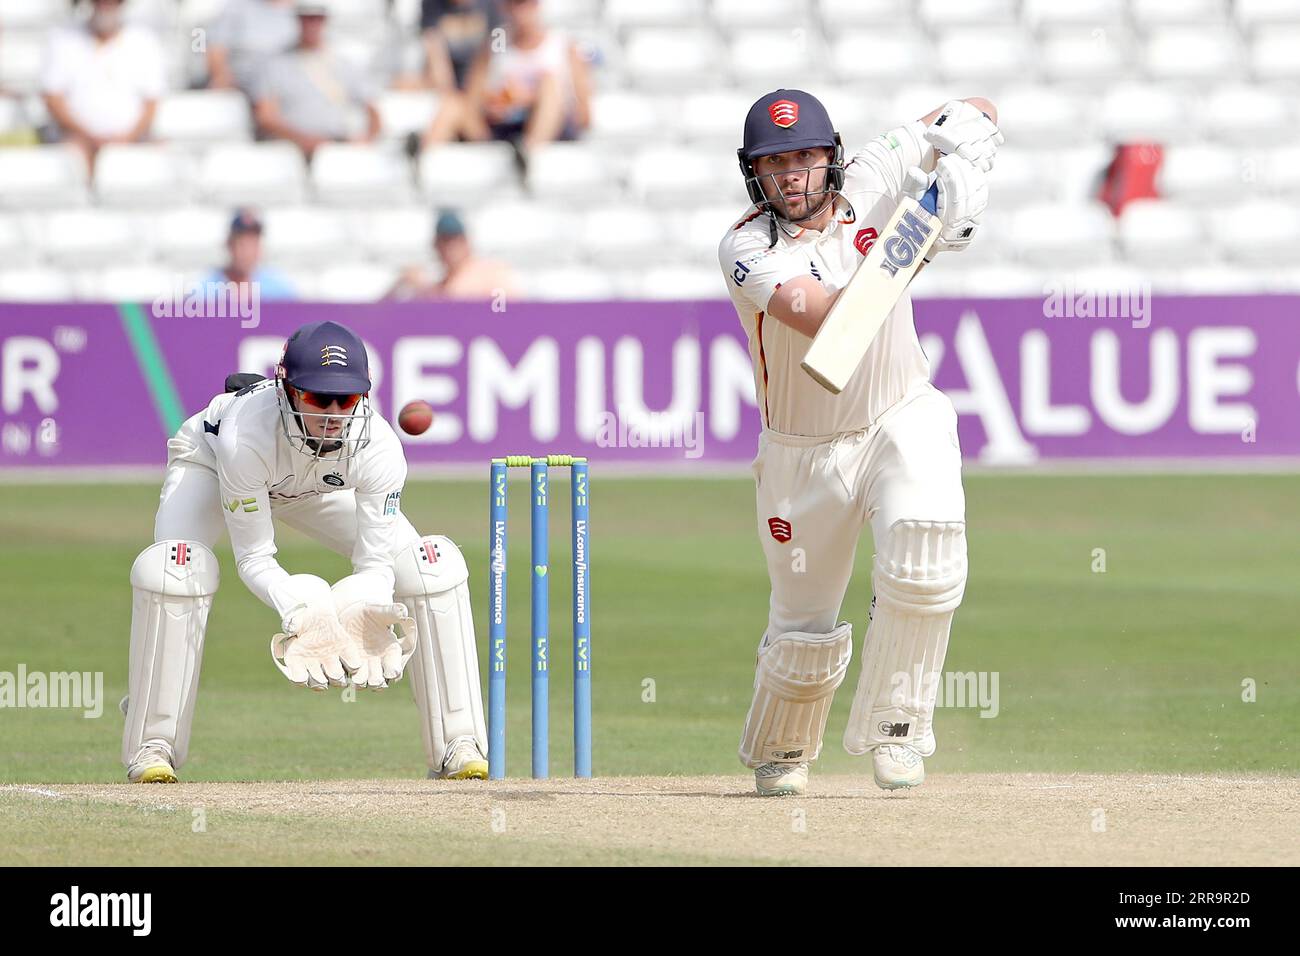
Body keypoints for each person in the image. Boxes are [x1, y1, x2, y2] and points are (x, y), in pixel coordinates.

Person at [717, 89, 1001, 796]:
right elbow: (830, 327)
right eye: (775, 162)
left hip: (899, 414)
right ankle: (782, 747)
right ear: (755, 173)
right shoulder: (747, 248)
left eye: (806, 157)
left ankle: (897, 729)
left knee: (926, 558)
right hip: (802, 452)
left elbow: (973, 108)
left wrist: (972, 150)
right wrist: (926, 229)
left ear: (832, 158)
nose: (793, 175)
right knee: (803, 628)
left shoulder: (877, 173)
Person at [122, 320, 489, 783]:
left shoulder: (378, 449)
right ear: (288, 390)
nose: (334, 414)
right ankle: (152, 741)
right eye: (318, 398)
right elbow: (254, 557)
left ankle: (458, 742)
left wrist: (361, 603)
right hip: (212, 465)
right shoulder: (245, 439)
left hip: (316, 486)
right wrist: (300, 606)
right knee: (173, 570)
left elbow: (376, 564)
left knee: (428, 565)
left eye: (347, 399)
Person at [421, 0, 591, 152]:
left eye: (525, 3)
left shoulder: (561, 45)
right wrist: (496, 102)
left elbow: (585, 115)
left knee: (549, 84)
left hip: (548, 127)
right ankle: (421, 157)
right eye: (513, 3)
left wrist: (529, 100)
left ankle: (530, 151)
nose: (520, 12)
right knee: (453, 104)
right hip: (503, 128)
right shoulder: (498, 43)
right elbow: (473, 98)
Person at [40, 0, 165, 169]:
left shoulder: (144, 40)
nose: (106, 5)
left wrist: (126, 139)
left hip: (133, 140)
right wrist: (88, 137)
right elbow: (53, 99)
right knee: (72, 155)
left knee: (164, 157)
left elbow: (152, 102)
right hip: (78, 141)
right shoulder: (63, 38)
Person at [252, 1, 381, 158]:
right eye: (306, 18)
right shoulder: (275, 65)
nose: (312, 24)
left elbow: (373, 111)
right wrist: (302, 140)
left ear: (325, 20)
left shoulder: (344, 64)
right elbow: (266, 116)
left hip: (339, 146)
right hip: (294, 151)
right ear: (297, 20)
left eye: (317, 18)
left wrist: (366, 139)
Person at [385, 209, 517, 301]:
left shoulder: (491, 273)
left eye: (455, 241)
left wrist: (425, 290)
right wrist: (404, 283)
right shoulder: (440, 285)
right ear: (436, 246)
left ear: (466, 243)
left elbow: (509, 311)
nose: (450, 248)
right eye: (444, 242)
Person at [205, 0, 300, 95]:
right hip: (244, 86)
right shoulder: (236, 7)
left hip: (287, 84)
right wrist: (223, 79)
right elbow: (216, 49)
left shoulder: (302, 10)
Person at [203, 210, 297, 300]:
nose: (247, 252)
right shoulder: (207, 288)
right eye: (241, 244)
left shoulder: (278, 290)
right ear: (229, 245)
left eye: (252, 244)